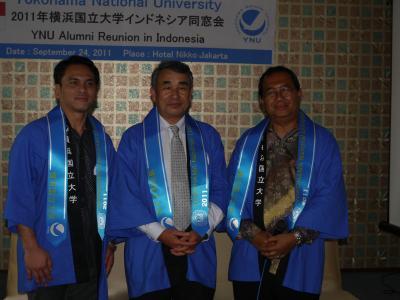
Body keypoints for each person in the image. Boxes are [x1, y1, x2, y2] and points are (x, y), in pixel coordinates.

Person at [107, 60, 227, 300]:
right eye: (167, 86)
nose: (175, 94)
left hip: (197, 248)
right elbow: (125, 195)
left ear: (191, 94)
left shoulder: (208, 137)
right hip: (149, 248)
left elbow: (221, 190)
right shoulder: (134, 138)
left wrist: (200, 231)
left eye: (182, 87)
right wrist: (162, 233)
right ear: (153, 93)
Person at [226, 65, 348, 299]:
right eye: (270, 92)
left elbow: (329, 197)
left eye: (285, 89)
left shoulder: (322, 142)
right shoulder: (247, 143)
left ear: (299, 93)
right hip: (252, 249)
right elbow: (231, 194)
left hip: (301, 250)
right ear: (262, 101)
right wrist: (255, 235)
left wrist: (295, 238)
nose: (279, 97)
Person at [5, 55, 116, 300]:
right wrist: (31, 247)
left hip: (91, 257)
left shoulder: (103, 140)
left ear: (96, 91)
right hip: (48, 257)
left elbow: (112, 196)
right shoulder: (33, 136)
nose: (82, 89)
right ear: (57, 90)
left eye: (89, 83)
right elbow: (20, 197)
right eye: (73, 82)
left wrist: (110, 243)